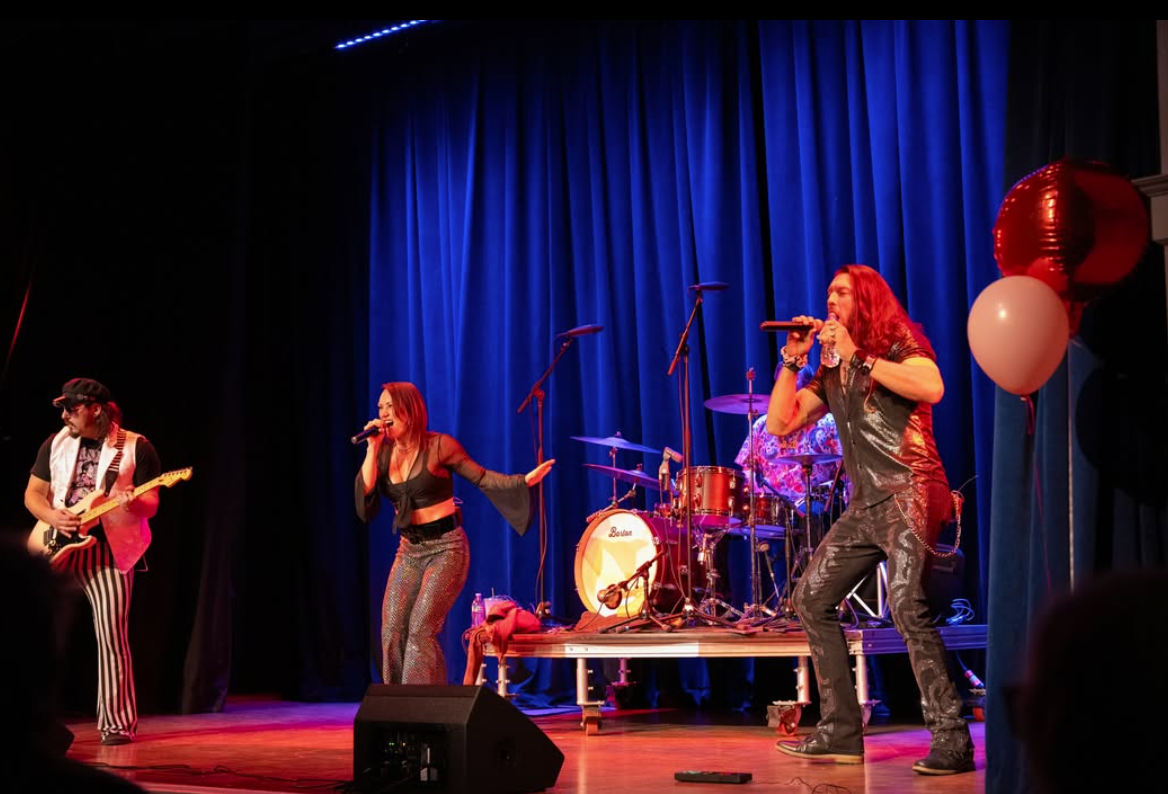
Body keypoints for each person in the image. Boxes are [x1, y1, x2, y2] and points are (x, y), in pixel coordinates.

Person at [766, 264, 974, 775]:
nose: (830, 300)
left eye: (841, 292)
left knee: (906, 604)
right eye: (828, 293)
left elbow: (932, 387)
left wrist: (859, 355)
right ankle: (839, 731)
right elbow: (780, 423)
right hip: (866, 503)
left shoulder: (897, 342)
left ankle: (952, 740)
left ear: (865, 299)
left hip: (911, 488)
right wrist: (792, 360)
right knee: (811, 597)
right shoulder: (831, 369)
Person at [355, 381, 554, 685]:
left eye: (390, 406)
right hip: (409, 550)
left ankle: (419, 704)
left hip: (447, 549)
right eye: (380, 407)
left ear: (410, 409)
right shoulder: (382, 453)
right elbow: (365, 496)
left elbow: (482, 477)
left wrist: (523, 481)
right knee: (392, 628)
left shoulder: (439, 446)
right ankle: (395, 701)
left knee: (420, 629)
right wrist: (372, 447)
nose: (383, 413)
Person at [23, 378, 162, 746]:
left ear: (95, 409)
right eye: (63, 409)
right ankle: (28, 720)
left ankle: (116, 725)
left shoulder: (136, 447)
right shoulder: (55, 443)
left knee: (112, 635)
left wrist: (134, 501)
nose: (65, 415)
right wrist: (52, 517)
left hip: (107, 550)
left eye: (72, 408)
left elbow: (152, 504)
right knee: (31, 632)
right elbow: (33, 494)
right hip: (57, 542)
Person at [735, 363, 844, 508]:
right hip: (772, 506)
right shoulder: (761, 426)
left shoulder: (828, 423)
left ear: (808, 388)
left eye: (792, 383)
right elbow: (747, 469)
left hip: (817, 504)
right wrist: (758, 490)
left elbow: (844, 471)